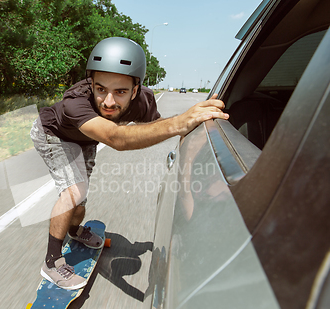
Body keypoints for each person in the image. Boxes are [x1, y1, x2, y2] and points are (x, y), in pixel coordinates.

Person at [30, 37, 228, 290]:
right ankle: (51, 261)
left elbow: (156, 130)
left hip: (86, 140)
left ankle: (74, 229)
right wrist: (179, 122)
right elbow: (116, 138)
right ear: (91, 83)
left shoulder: (145, 101)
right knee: (73, 191)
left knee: (80, 201)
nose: (109, 102)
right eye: (100, 89)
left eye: (121, 92)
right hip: (53, 135)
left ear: (136, 90)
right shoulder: (75, 101)